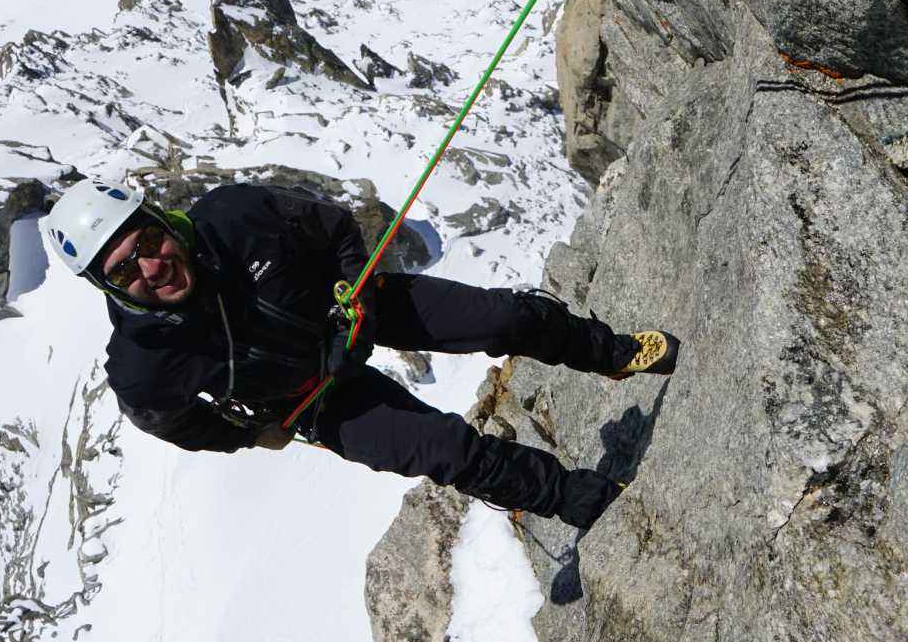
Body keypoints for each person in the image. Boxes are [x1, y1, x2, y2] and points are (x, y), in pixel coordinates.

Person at [43, 179, 678, 528]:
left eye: (149, 240)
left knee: (510, 317)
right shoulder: (143, 364)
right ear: (107, 287)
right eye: (126, 272)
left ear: (159, 219)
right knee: (448, 452)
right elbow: (174, 424)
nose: (153, 267)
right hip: (314, 400)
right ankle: (577, 498)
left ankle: (614, 353)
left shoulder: (234, 216)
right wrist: (250, 433)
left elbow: (338, 230)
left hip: (357, 307)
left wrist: (360, 299)